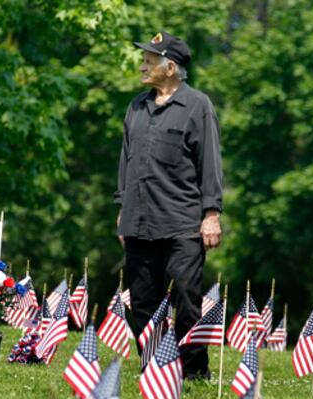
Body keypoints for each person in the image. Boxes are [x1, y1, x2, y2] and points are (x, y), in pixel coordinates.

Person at [115, 31, 223, 380]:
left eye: (150, 60)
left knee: (187, 299)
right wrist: (122, 209)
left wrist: (211, 214)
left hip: (183, 223)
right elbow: (126, 161)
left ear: (171, 67)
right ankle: (154, 369)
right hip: (139, 222)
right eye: (144, 59)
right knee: (143, 302)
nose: (143, 66)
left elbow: (210, 163)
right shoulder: (136, 106)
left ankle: (192, 372)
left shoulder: (198, 106)